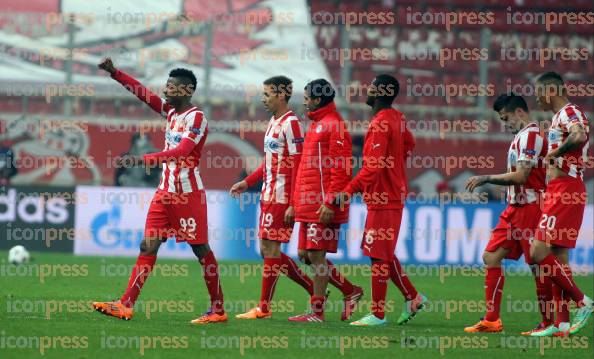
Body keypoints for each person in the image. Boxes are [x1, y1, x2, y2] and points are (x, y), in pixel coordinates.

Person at [92, 58, 226, 324]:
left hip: (188, 196)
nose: (166, 90)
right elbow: (145, 95)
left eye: (172, 86)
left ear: (186, 91)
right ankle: (125, 304)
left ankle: (218, 309)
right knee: (148, 244)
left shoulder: (196, 118)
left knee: (201, 250)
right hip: (164, 193)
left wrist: (143, 159)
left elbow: (182, 152)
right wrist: (115, 73)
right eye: (166, 85)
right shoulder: (172, 113)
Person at [335, 74, 426, 326]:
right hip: (387, 195)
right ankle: (413, 297)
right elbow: (410, 143)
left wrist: (348, 190)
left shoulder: (381, 123)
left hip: (384, 197)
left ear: (379, 92)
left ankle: (377, 313)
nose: (367, 89)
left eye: (371, 86)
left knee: (378, 255)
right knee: (382, 252)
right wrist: (395, 168)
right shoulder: (397, 118)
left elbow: (372, 167)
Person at [463, 93, 553, 334]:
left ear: (520, 112)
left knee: (538, 266)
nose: (505, 123)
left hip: (532, 208)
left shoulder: (532, 136)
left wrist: (486, 177)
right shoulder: (520, 137)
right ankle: (492, 319)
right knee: (490, 257)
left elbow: (522, 176)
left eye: (506, 118)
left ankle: (549, 321)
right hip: (514, 209)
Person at [229, 76, 315, 319]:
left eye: (267, 94)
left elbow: (299, 165)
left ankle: (264, 308)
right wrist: (248, 182)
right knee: (268, 250)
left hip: (282, 196)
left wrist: (294, 202)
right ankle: (315, 289)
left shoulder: (292, 124)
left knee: (271, 248)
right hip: (267, 193)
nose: (263, 99)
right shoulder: (272, 122)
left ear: (280, 95)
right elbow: (268, 162)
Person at [288, 79, 363, 323]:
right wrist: (296, 204)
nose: (304, 100)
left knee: (316, 255)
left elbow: (342, 168)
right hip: (309, 205)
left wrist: (331, 202)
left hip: (323, 205)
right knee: (306, 255)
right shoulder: (317, 125)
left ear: (318, 99)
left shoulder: (334, 126)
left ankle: (316, 313)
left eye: (307, 96)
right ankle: (351, 291)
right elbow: (305, 171)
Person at [529, 71, 592, 336]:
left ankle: (583, 301)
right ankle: (561, 324)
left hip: (566, 188)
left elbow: (578, 137)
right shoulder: (558, 117)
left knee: (537, 252)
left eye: (538, 93)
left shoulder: (569, 112)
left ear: (549, 92)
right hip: (560, 188)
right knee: (557, 257)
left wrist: (556, 152)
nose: (536, 98)